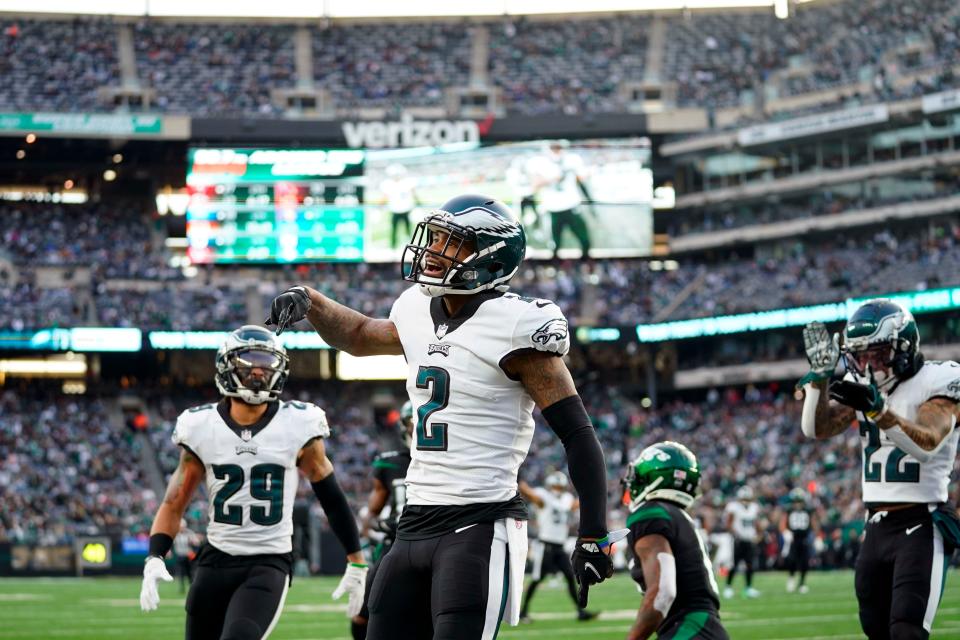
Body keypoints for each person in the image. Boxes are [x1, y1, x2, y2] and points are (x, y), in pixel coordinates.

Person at [266, 194, 614, 640]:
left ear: (487, 257)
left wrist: (593, 533)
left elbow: (579, 434)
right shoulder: (415, 308)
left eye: (450, 242)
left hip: (479, 523)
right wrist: (312, 301)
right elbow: (357, 335)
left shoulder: (517, 326)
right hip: (414, 523)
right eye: (435, 238)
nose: (433, 250)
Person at [139, 325, 368, 639]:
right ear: (227, 366)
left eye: (267, 363)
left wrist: (356, 560)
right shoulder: (200, 425)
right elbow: (174, 502)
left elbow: (330, 495)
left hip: (269, 560)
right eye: (251, 362)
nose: (260, 371)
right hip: (215, 558)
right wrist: (155, 555)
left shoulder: (298, 423)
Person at [799, 299, 960, 639]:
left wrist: (877, 409)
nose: (868, 365)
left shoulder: (941, 379)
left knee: (906, 631)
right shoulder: (864, 386)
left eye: (878, 353)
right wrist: (820, 379)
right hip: (875, 527)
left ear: (904, 346)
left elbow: (926, 443)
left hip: (922, 521)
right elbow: (817, 428)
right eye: (860, 355)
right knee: (876, 630)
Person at [622, 441, 728, 640]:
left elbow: (663, 592)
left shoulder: (651, 514)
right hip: (704, 628)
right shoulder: (676, 516)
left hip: (689, 630)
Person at [352, 402, 414, 640]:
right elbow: (372, 512)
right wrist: (371, 531)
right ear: (402, 427)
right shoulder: (390, 463)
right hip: (394, 544)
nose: (418, 431)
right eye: (412, 425)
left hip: (435, 539)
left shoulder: (448, 461)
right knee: (365, 609)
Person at [517, 471, 596, 622]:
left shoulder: (566, 499)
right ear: (549, 485)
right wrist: (519, 481)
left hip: (559, 547)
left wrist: (591, 489)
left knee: (569, 577)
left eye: (560, 486)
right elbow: (529, 493)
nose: (558, 489)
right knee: (536, 579)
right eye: (555, 486)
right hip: (545, 545)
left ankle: (580, 612)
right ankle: (523, 612)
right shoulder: (544, 496)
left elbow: (577, 503)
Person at [529, 141, 593, 259]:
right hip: (553, 209)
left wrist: (586, 173)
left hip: (572, 206)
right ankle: (557, 266)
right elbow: (534, 185)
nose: (557, 149)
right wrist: (553, 178)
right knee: (555, 244)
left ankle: (585, 262)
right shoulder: (539, 161)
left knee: (585, 240)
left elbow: (581, 177)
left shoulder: (572, 159)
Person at [722, 485, 761, 599]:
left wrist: (758, 535)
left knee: (750, 565)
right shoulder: (733, 507)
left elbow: (756, 523)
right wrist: (736, 534)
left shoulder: (754, 507)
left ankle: (748, 588)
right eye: (743, 499)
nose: (745, 501)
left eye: (747, 499)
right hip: (737, 540)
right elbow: (728, 524)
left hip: (749, 540)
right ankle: (728, 587)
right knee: (733, 565)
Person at [780, 488, 816, 594]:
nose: (797, 503)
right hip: (792, 539)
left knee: (805, 562)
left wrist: (817, 536)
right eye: (796, 501)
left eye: (799, 501)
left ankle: (802, 583)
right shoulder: (788, 510)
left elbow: (814, 523)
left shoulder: (808, 510)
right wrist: (785, 532)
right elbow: (782, 523)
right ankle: (791, 578)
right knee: (792, 560)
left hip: (805, 538)